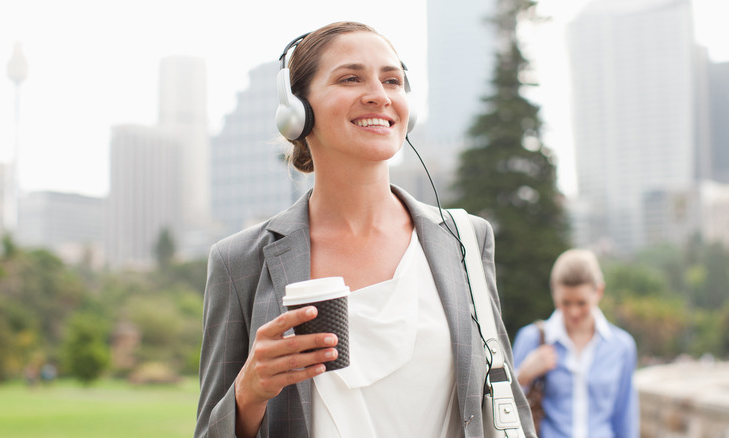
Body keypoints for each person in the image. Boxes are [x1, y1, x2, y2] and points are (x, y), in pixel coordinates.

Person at [194, 21, 535, 438]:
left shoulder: (465, 240)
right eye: (351, 78)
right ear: (297, 110)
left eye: (392, 80)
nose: (379, 94)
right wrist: (248, 393)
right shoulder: (239, 261)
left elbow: (508, 405)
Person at [512, 249, 639, 438]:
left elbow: (625, 417)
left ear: (599, 291)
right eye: (565, 302)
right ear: (553, 290)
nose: (573, 312)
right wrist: (522, 376)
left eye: (581, 303)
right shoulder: (532, 338)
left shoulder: (622, 346)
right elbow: (502, 409)